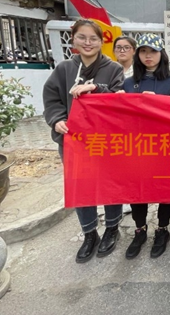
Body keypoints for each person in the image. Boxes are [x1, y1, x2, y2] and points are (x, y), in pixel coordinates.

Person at [43, 19, 124, 263]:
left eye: (93, 38)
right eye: (82, 37)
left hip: (105, 140)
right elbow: (52, 100)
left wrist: (96, 88)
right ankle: (89, 233)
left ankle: (112, 228)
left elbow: (119, 99)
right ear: (73, 40)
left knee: (110, 184)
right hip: (74, 141)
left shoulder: (114, 69)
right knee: (81, 186)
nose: (87, 43)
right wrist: (57, 119)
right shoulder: (64, 69)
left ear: (101, 41)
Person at [121, 33, 170, 259]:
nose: (148, 56)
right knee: (137, 191)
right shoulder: (129, 83)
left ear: (161, 54)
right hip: (136, 147)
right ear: (138, 55)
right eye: (144, 51)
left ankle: (162, 229)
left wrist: (156, 103)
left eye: (153, 51)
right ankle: (140, 229)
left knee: (164, 189)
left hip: (164, 147)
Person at [113, 35, 137, 215]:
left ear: (133, 51)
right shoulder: (110, 70)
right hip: (114, 124)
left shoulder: (139, 72)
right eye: (118, 47)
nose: (122, 51)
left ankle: (131, 197)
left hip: (134, 125)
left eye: (126, 47)